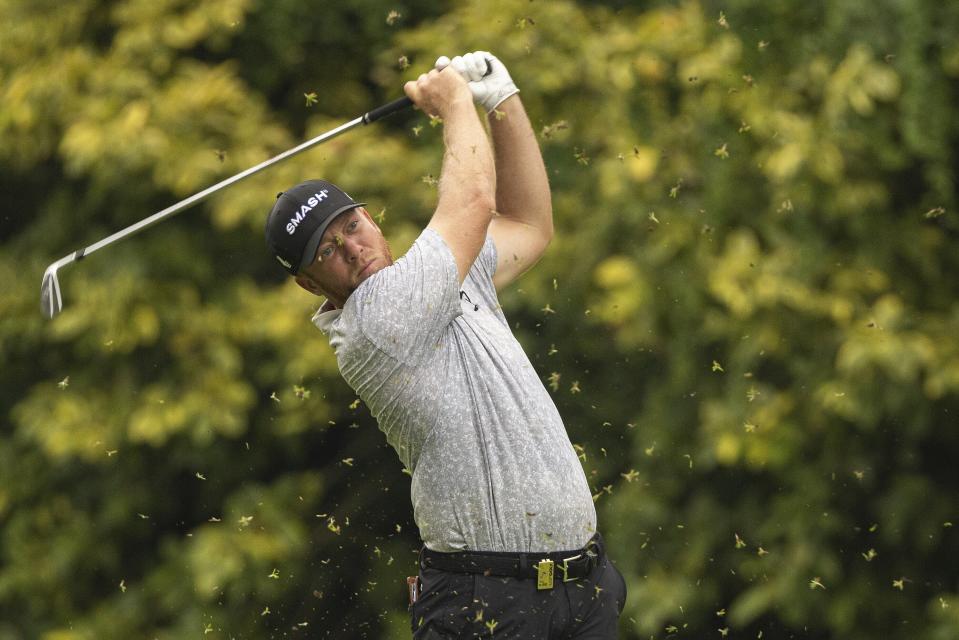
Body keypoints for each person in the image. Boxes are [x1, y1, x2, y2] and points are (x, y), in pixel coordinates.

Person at [264, 51, 626, 639]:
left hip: (582, 591)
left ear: (371, 218)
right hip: (485, 605)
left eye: (351, 227)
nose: (353, 250)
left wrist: (502, 101)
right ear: (309, 284)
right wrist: (456, 102)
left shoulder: (445, 278)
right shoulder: (374, 323)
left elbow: (528, 223)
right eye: (327, 251)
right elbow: (474, 204)